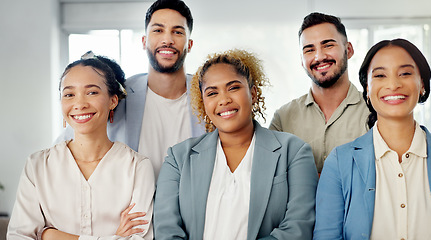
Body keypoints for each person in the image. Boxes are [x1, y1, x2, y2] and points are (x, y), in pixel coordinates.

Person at [153, 49, 319, 239]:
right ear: (203, 102)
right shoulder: (178, 158)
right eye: (212, 93)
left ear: (253, 93)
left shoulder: (294, 152)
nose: (224, 100)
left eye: (233, 88)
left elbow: (298, 227)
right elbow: (167, 229)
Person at [314, 39, 431, 239]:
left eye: (405, 73)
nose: (393, 84)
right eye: (380, 75)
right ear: (367, 90)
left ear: (422, 84)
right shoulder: (339, 163)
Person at [8, 53, 154, 239]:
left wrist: (50, 235)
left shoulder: (138, 167)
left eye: (92, 92)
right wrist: (114, 237)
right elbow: (19, 236)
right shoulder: (37, 165)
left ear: (113, 100)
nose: (79, 103)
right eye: (69, 94)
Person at [56, 0, 205, 180]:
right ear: (144, 41)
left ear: (189, 44)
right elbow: (64, 151)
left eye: (178, 32)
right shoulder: (119, 95)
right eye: (158, 30)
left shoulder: (207, 96)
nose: (167, 39)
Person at [269, 12, 369, 173]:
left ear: (348, 50)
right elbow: (272, 177)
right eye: (309, 50)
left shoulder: (375, 113)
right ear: (302, 60)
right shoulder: (283, 118)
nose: (319, 56)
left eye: (328, 45)